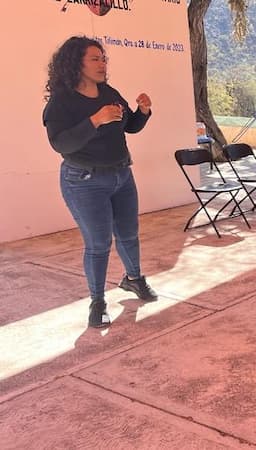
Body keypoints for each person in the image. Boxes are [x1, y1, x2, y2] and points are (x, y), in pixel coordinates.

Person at [42, 36, 157, 329]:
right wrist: (95, 120)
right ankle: (97, 302)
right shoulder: (61, 101)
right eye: (95, 59)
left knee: (129, 234)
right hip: (84, 180)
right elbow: (61, 143)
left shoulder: (109, 92)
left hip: (121, 175)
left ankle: (134, 279)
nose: (102, 64)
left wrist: (142, 112)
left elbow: (129, 126)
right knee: (98, 244)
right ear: (75, 62)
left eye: (103, 58)